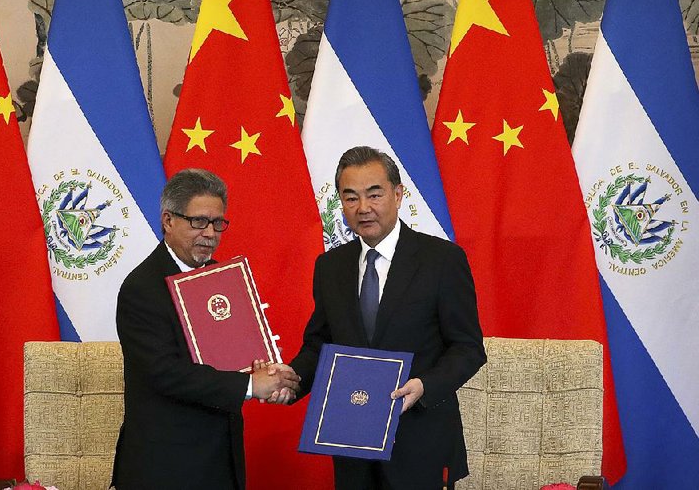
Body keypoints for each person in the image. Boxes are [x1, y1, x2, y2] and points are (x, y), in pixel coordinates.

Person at [277, 146, 486, 489]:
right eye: (351, 197)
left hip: (419, 439)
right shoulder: (330, 267)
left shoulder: (442, 260)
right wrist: (291, 377)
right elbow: (320, 345)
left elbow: (467, 348)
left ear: (398, 194)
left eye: (374, 194)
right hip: (351, 440)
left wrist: (424, 386)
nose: (364, 208)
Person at [111, 168, 299, 490]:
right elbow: (165, 373)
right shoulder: (141, 289)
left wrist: (268, 373)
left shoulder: (220, 277)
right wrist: (251, 385)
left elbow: (236, 356)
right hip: (166, 467)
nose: (210, 233)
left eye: (217, 223)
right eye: (198, 221)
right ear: (168, 221)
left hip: (221, 459)